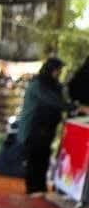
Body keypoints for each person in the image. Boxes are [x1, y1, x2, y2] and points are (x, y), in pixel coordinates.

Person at [17, 56, 74, 195]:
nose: (58, 74)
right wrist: (74, 107)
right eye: (57, 71)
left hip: (46, 129)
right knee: (35, 158)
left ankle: (40, 188)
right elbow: (54, 102)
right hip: (34, 129)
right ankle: (33, 189)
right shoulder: (38, 85)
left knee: (43, 157)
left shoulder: (52, 85)